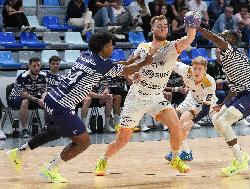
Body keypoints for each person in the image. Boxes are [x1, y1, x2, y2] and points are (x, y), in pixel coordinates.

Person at [5, 31, 153, 183]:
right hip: (62, 105)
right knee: (83, 142)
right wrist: (145, 62)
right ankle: (49, 169)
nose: (112, 48)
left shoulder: (85, 55)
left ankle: (19, 153)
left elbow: (116, 66)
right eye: (110, 45)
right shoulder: (103, 64)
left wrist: (133, 59)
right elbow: (126, 71)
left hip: (51, 98)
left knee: (54, 131)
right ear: (103, 48)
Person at [95, 13, 200, 176]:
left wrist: (192, 26)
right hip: (136, 98)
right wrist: (131, 76)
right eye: (159, 26)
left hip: (156, 97)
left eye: (165, 26)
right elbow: (127, 69)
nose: (163, 28)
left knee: (176, 126)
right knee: (122, 140)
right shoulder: (142, 47)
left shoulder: (172, 47)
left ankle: (175, 157)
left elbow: (189, 39)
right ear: (152, 29)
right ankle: (103, 159)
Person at [197, 27, 250, 176]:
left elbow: (214, 38)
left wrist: (198, 28)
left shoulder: (230, 51)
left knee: (223, 122)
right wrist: (223, 104)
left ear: (229, 41)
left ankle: (240, 161)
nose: (219, 38)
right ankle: (241, 154)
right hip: (242, 93)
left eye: (223, 36)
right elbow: (234, 88)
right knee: (216, 119)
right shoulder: (227, 58)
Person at [164, 56, 217, 162]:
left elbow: (205, 110)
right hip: (191, 97)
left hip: (203, 103)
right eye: (195, 68)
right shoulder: (185, 70)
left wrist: (192, 122)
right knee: (175, 119)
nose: (196, 71)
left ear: (205, 69)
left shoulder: (209, 83)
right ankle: (186, 152)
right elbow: (170, 61)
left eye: (200, 69)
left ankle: (179, 152)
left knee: (183, 122)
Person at [7, 57, 47, 138]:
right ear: (29, 66)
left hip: (32, 96)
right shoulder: (23, 76)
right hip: (15, 97)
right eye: (34, 66)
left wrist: (43, 99)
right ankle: (24, 129)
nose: (37, 68)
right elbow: (23, 94)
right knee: (25, 101)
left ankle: (47, 126)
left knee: (48, 100)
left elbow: (44, 91)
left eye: (38, 66)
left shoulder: (43, 75)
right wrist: (37, 100)